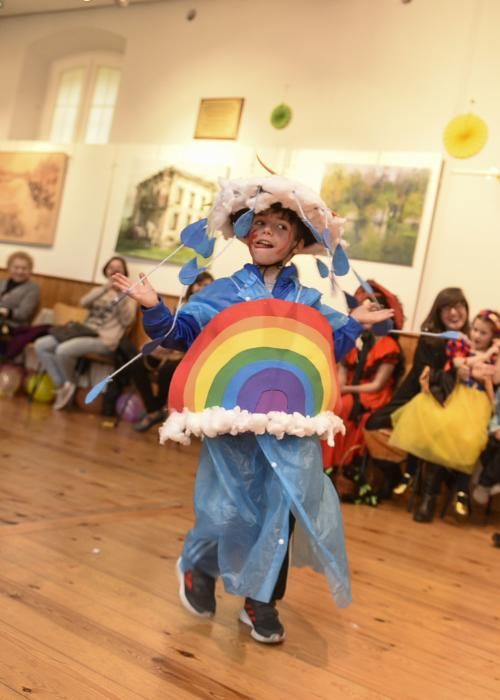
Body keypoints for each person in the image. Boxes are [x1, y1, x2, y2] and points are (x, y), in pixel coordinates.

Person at [112, 175, 393, 645]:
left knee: (278, 513)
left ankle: (260, 601)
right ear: (243, 232)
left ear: (298, 242)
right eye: (258, 223)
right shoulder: (219, 294)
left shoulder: (309, 301)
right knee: (226, 509)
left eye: (279, 227)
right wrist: (154, 308)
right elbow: (181, 335)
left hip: (288, 428)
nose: (264, 232)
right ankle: (197, 566)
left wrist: (352, 327)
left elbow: (325, 348)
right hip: (231, 424)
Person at [363, 287, 470, 515]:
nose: (454, 312)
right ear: (438, 313)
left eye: (458, 306)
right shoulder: (431, 337)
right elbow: (425, 379)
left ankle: (428, 498)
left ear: (466, 309)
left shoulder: (470, 339)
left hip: (456, 406)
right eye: (447, 308)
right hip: (417, 396)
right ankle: (393, 476)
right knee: (373, 423)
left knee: (438, 434)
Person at [390, 308, 499, 521]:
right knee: (425, 420)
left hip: (476, 404)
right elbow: (461, 363)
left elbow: (494, 379)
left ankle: (461, 489)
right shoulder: (461, 343)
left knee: (469, 438)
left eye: (483, 333)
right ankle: (410, 473)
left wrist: (496, 352)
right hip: (452, 396)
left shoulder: (494, 355)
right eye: (475, 329)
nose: (476, 335)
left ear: (493, 337)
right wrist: (484, 358)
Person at [322, 280, 404, 503]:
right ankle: (326, 470)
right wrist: (337, 391)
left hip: (372, 394)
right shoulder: (354, 341)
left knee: (347, 407)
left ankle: (347, 470)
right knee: (334, 406)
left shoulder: (388, 345)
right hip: (350, 390)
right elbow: (342, 372)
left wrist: (346, 389)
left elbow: (377, 385)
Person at [34, 256, 136, 410]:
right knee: (41, 344)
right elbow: (83, 303)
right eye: (111, 268)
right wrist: (105, 289)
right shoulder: (99, 290)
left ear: (124, 273)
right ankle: (63, 385)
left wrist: (119, 295)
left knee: (63, 351)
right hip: (84, 332)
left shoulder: (130, 295)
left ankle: (69, 384)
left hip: (106, 340)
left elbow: (128, 321)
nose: (114, 271)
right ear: (106, 271)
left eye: (118, 269)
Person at [131, 272, 214, 432]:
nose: (202, 288)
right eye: (199, 284)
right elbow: (171, 332)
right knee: (137, 363)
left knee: (166, 371)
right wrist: (154, 345)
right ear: (192, 286)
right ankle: (154, 410)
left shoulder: (211, 310)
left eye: (207, 285)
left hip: (192, 356)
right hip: (169, 350)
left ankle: (159, 411)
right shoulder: (183, 305)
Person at [0, 251, 45, 361]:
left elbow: (23, 314)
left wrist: (4, 311)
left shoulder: (33, 288)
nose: (20, 271)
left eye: (24, 268)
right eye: (16, 267)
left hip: (14, 326)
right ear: (9, 268)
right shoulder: (2, 282)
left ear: (30, 270)